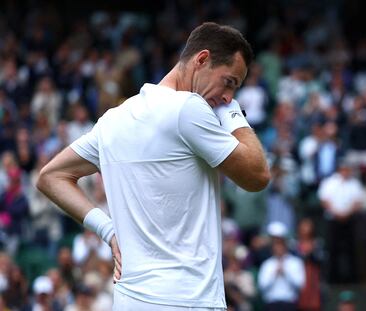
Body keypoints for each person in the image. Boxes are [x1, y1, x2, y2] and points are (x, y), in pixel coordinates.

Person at [37, 22, 270, 311]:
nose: (227, 96)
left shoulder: (113, 119)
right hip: (188, 300)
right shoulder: (189, 108)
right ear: (202, 60)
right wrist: (235, 114)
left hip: (128, 301)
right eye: (230, 82)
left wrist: (108, 231)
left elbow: (50, 176)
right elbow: (258, 175)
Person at [257, 221, 305, 311]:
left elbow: (300, 285)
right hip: (271, 305)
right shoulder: (267, 264)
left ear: (285, 245)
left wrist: (286, 273)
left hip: (289, 305)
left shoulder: (295, 262)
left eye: (281, 244)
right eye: (276, 245)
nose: (279, 248)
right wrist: (274, 274)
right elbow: (262, 286)